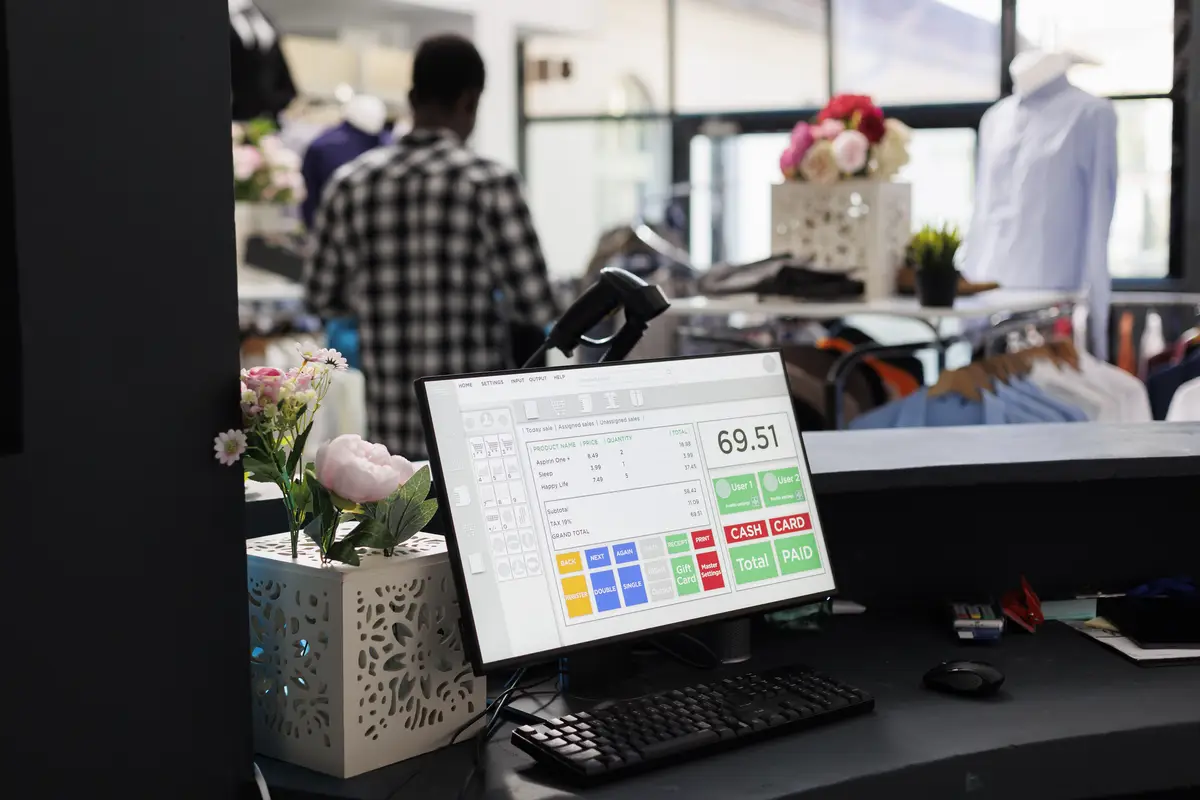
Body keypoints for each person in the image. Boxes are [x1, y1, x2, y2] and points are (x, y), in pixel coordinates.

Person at [305, 34, 559, 459]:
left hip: (391, 445)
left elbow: (320, 295)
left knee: (404, 526)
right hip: (477, 435)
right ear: (470, 100)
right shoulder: (489, 183)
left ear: (412, 97)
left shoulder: (351, 183)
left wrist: (380, 295)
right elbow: (536, 305)